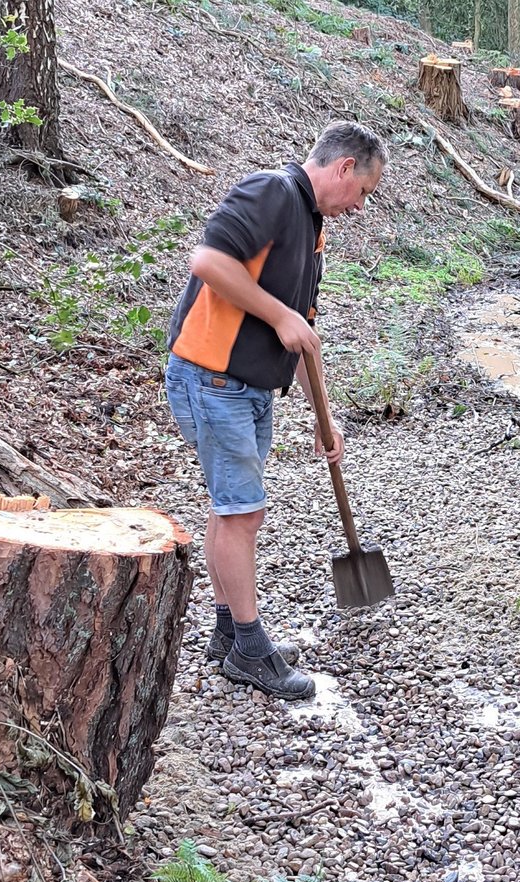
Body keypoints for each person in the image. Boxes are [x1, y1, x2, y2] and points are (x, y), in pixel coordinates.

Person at [164, 121, 388, 701]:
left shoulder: (310, 226)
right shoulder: (271, 191)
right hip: (212, 379)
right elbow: (208, 261)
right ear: (344, 168)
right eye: (363, 191)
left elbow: (304, 335)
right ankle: (248, 647)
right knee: (242, 513)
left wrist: (323, 416)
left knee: (231, 510)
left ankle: (227, 633)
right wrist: (277, 314)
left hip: (248, 388)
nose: (360, 206)